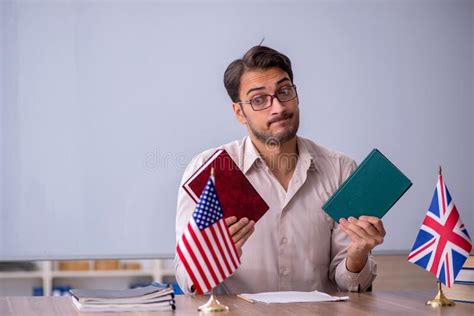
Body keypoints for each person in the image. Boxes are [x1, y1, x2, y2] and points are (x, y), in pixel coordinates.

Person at [175, 45, 385, 295]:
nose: (278, 108)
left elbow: (348, 282)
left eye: (284, 91)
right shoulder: (208, 171)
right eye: (259, 99)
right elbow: (188, 282)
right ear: (239, 112)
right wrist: (211, 258)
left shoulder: (341, 170)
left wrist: (358, 254)